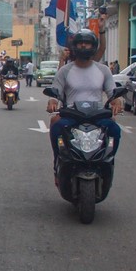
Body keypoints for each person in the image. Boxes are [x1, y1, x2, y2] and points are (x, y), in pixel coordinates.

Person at [46, 29, 123, 176]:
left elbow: (112, 93)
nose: (83, 46)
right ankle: (58, 162)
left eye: (87, 43)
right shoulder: (65, 71)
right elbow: (55, 91)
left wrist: (117, 102)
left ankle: (108, 162)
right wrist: (52, 102)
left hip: (98, 115)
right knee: (56, 126)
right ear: (74, 46)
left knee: (115, 130)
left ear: (93, 46)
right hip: (71, 115)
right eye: (80, 43)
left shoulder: (103, 70)